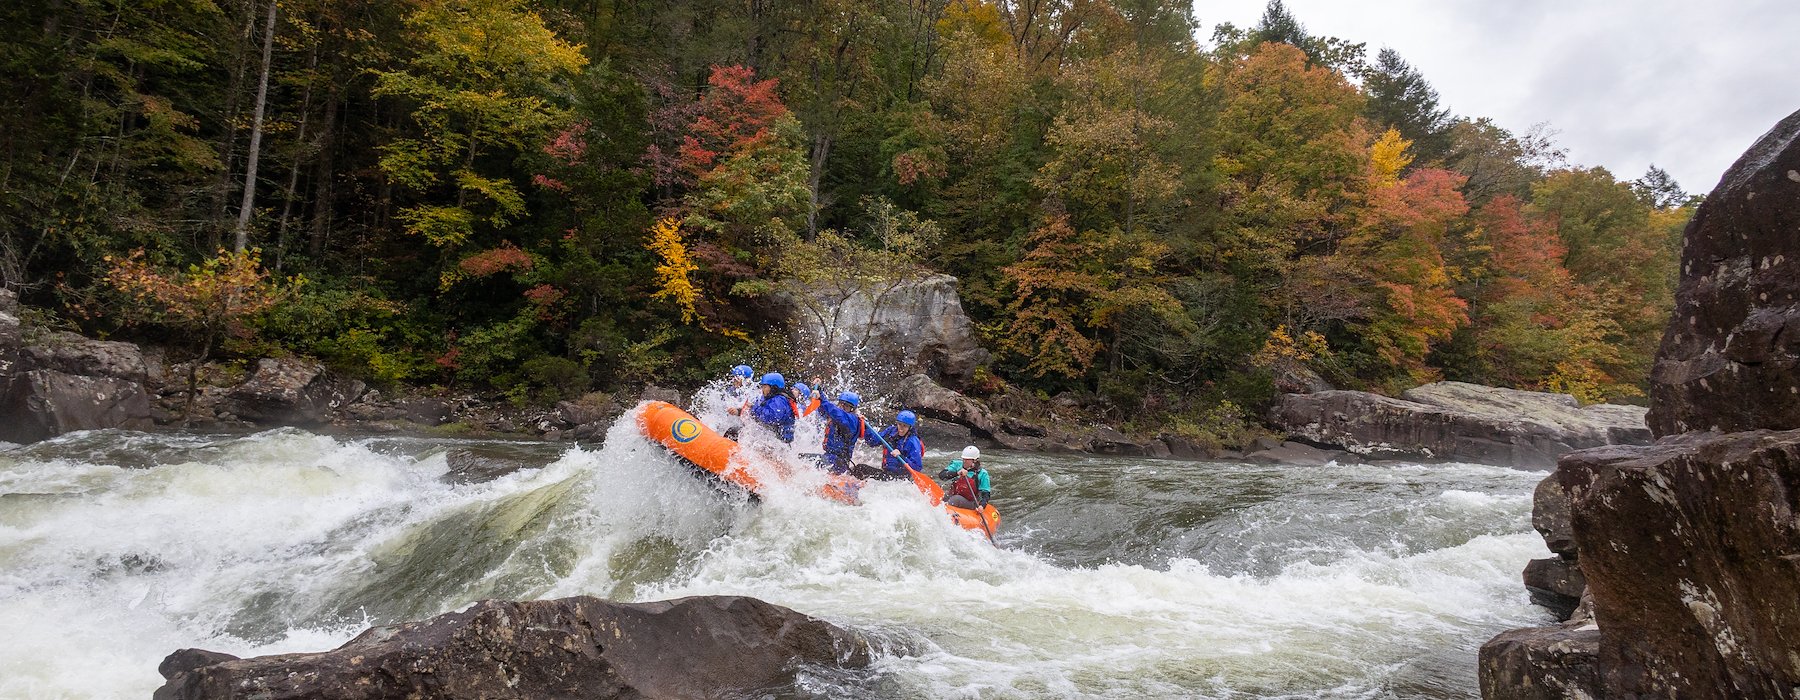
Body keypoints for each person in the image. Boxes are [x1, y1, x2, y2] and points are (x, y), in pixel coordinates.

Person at [730, 372, 796, 442]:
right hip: (770, 438)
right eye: (762, 387)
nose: (762, 389)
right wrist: (738, 411)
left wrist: (753, 408)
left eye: (765, 387)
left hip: (780, 442)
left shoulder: (780, 400)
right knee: (735, 431)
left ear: (774, 388)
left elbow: (771, 418)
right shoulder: (768, 398)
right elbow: (756, 411)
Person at [813, 391, 868, 474]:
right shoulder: (838, 416)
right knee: (802, 457)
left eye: (845, 405)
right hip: (830, 457)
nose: (842, 407)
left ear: (852, 408)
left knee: (811, 463)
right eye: (841, 404)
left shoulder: (851, 420)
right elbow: (824, 410)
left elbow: (836, 412)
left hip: (839, 461)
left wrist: (821, 399)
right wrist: (820, 392)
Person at [867, 410, 924, 480]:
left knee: (864, 473)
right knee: (860, 469)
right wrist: (866, 426)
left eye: (905, 426)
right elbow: (872, 442)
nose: (901, 428)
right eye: (899, 424)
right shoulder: (891, 431)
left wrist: (901, 457)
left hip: (899, 479)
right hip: (886, 473)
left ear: (910, 427)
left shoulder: (913, 441)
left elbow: (917, 467)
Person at [937, 446, 992, 510]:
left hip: (971, 502)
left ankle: (945, 512)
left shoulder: (982, 474)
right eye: (963, 459)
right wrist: (957, 473)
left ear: (975, 460)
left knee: (956, 499)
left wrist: (982, 505)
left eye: (967, 459)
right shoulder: (957, 465)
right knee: (944, 498)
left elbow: (985, 493)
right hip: (954, 495)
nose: (964, 461)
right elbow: (942, 475)